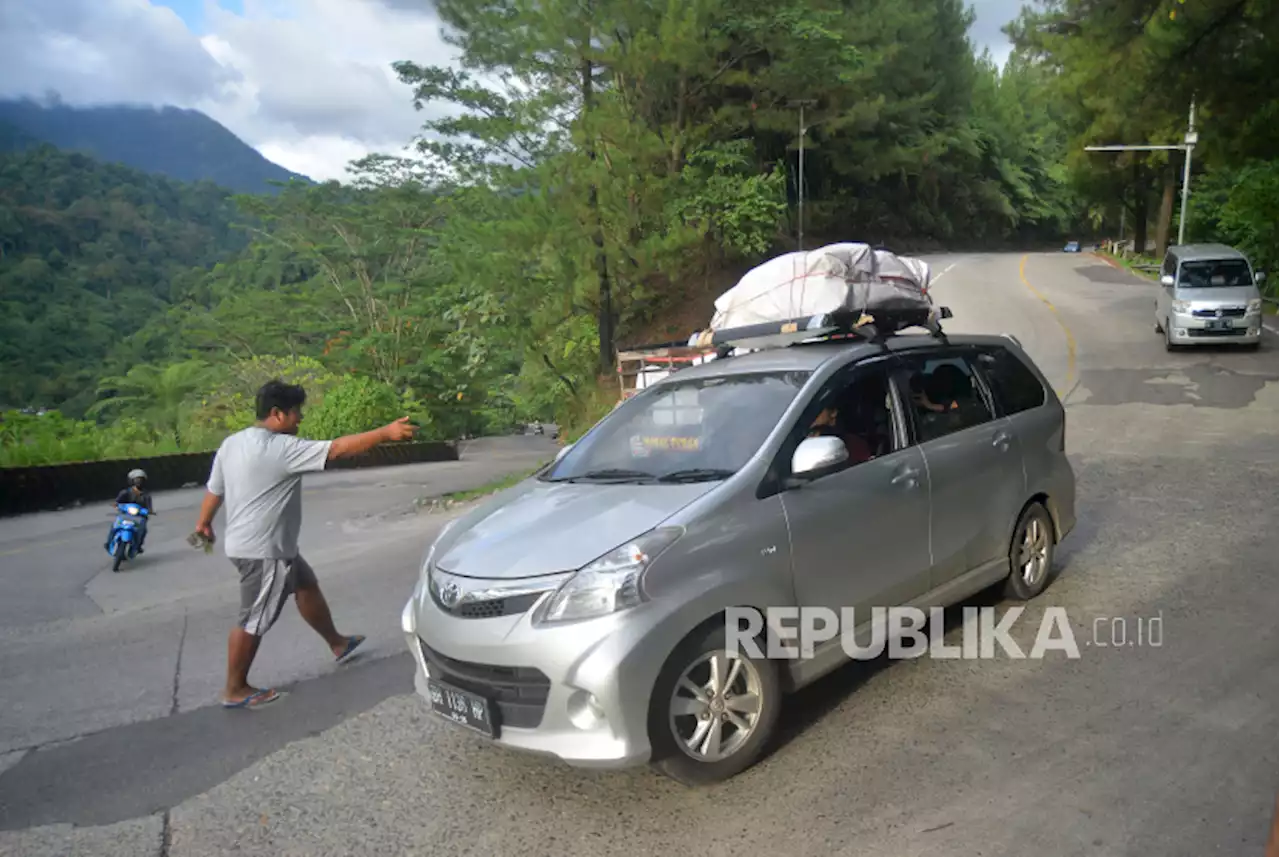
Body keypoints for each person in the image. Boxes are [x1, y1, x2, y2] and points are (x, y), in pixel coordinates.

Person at [194, 379, 417, 709]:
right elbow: (337, 449)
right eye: (297, 413)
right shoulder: (280, 449)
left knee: (305, 585)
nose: (300, 420)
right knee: (254, 617)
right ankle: (235, 688)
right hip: (264, 551)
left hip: (255, 545)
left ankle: (337, 643)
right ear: (277, 414)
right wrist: (384, 433)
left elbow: (216, 489)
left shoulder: (232, 444)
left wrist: (203, 523)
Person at [106, 468, 153, 554]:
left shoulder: (146, 495)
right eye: (136, 480)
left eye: (140, 480)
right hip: (126, 514)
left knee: (143, 530)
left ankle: (138, 545)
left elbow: (149, 507)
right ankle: (108, 542)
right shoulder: (125, 492)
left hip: (139, 516)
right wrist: (116, 505)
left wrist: (149, 511)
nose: (138, 482)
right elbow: (117, 501)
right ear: (131, 481)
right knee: (114, 527)